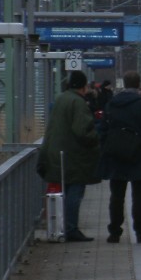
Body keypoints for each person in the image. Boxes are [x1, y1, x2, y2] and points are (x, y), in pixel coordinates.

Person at [98, 70, 141, 244]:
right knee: (140, 198)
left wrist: (106, 150)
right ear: (138, 84)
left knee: (116, 197)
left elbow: (103, 130)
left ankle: (114, 232)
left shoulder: (112, 104)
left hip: (116, 157)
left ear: (125, 84)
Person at [40, 70, 102, 242]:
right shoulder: (78, 103)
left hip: (58, 155)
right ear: (83, 87)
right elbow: (82, 131)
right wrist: (96, 138)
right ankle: (71, 228)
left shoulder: (61, 99)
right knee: (75, 192)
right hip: (74, 157)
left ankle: (61, 227)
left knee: (65, 191)